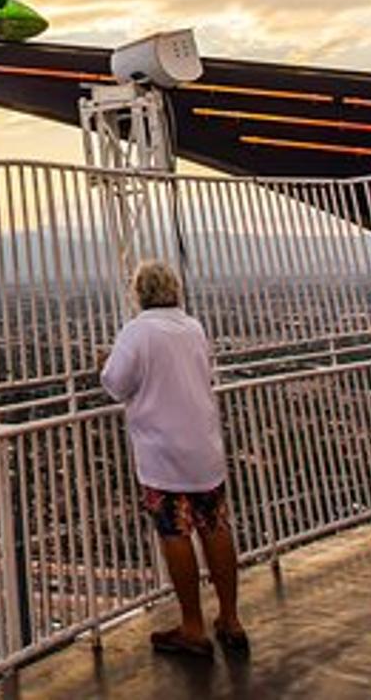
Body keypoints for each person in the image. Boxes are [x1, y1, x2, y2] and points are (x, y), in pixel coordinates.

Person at [99, 260, 248, 660]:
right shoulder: (193, 326)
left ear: (140, 294)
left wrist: (105, 361)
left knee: (175, 533)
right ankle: (230, 619)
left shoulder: (138, 330)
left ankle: (193, 626)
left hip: (163, 452)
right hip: (205, 447)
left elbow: (115, 384)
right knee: (216, 527)